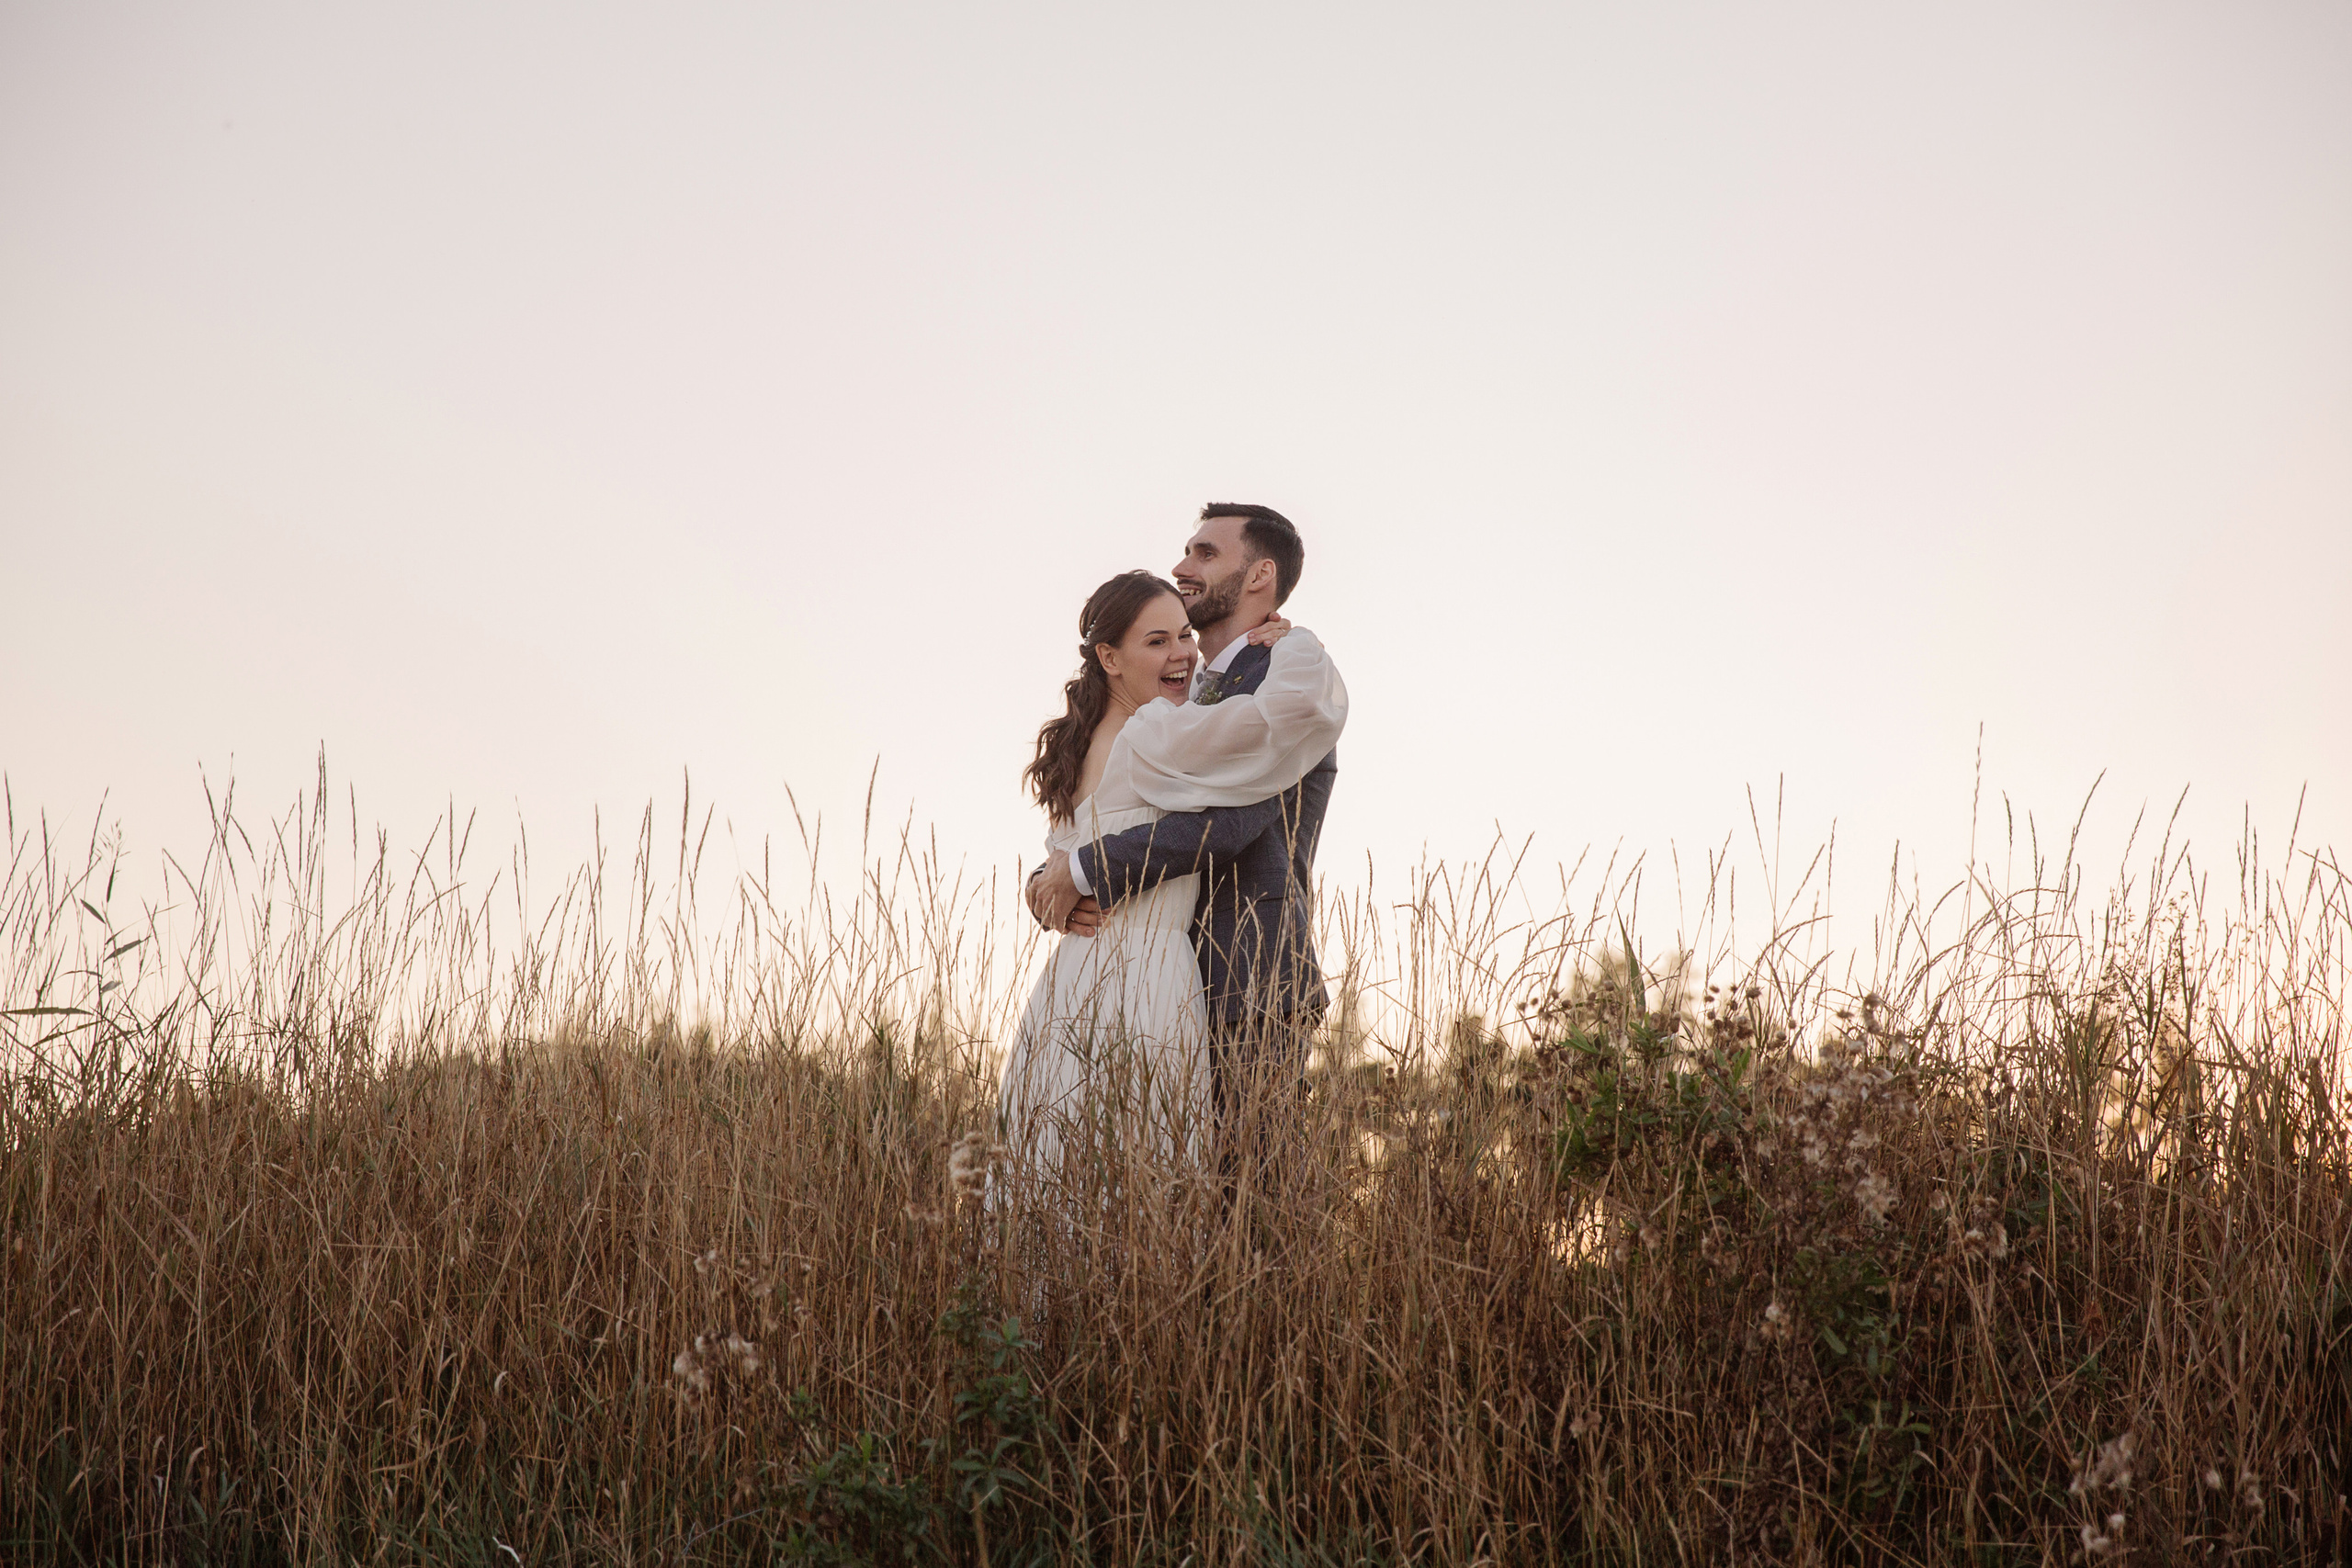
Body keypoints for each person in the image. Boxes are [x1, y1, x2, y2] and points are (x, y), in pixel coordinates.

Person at [1000, 543, 1346, 1185]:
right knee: (1144, 1171)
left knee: (1065, 1166)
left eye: (1184, 635)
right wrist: (1294, 650)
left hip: (1072, 976)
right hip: (1149, 975)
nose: (1182, 652)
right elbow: (1264, 730)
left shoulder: (1085, 743)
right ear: (1109, 657)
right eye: (1157, 641)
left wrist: (1051, 885)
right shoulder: (1154, 731)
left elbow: (1059, 860)